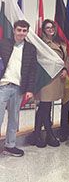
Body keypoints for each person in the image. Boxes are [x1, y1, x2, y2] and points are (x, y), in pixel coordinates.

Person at [0, 20, 37, 157]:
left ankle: (10, 145)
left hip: (18, 88)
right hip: (3, 86)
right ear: (14, 30)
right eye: (19, 30)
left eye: (24, 30)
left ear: (27, 32)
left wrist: (30, 89)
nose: (21, 33)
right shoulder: (3, 43)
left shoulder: (31, 48)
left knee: (14, 118)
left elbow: (33, 70)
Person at [33, 19, 69, 148]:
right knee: (45, 106)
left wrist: (65, 69)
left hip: (57, 79)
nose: (50, 29)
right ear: (43, 30)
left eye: (52, 27)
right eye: (47, 28)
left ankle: (37, 134)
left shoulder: (60, 42)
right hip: (45, 79)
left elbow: (66, 59)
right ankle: (49, 134)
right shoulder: (41, 43)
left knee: (45, 106)